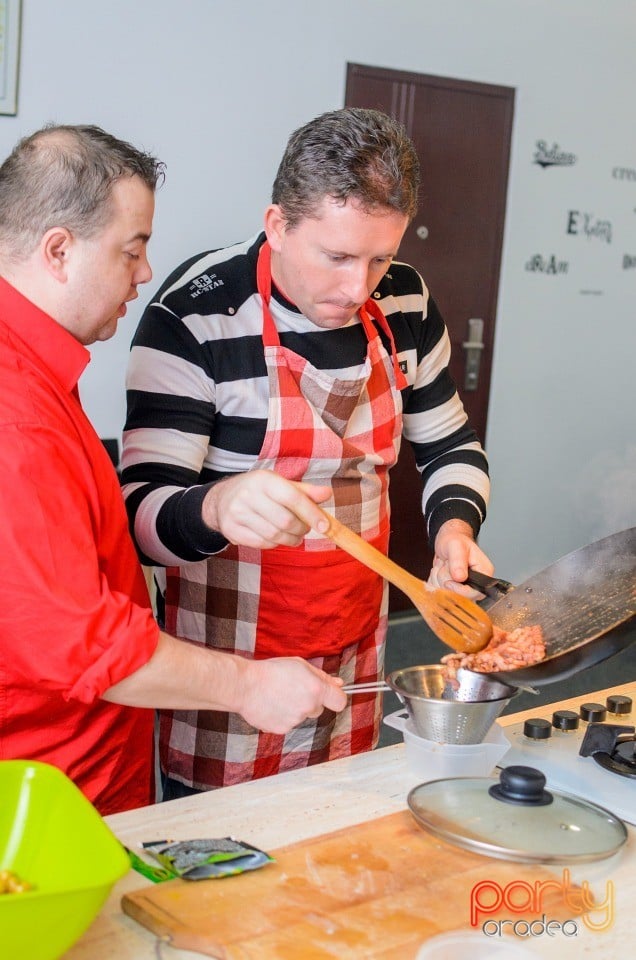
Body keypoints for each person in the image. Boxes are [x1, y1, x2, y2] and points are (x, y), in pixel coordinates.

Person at [122, 107, 493, 800]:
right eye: (338, 256)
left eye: (380, 256)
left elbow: (450, 443)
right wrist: (221, 505)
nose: (360, 288)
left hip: (355, 649)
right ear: (278, 225)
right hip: (225, 675)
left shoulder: (405, 300)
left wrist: (454, 530)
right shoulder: (196, 313)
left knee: (332, 848)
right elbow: (140, 516)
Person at [0, 124, 346, 817]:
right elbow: (79, 640)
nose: (146, 271)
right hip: (49, 797)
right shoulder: (16, 415)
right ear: (59, 250)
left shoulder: (38, 372)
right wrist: (248, 686)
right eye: (133, 249)